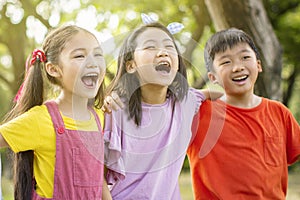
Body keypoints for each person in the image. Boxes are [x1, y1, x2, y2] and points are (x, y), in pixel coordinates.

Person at [103, 22, 222, 199]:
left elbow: (215, 94)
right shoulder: (116, 109)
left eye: (169, 47)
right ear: (131, 66)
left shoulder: (186, 102)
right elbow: (97, 172)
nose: (163, 52)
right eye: (150, 46)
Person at [0, 25, 112, 199]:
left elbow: (98, 179)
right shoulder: (40, 119)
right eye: (80, 56)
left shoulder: (100, 117)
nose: (93, 62)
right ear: (53, 69)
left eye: (98, 54)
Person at [187, 28, 300, 199]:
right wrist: (204, 94)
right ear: (213, 77)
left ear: (258, 65)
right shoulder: (199, 115)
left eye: (245, 57)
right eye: (226, 62)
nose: (238, 67)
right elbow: (169, 101)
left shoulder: (279, 112)